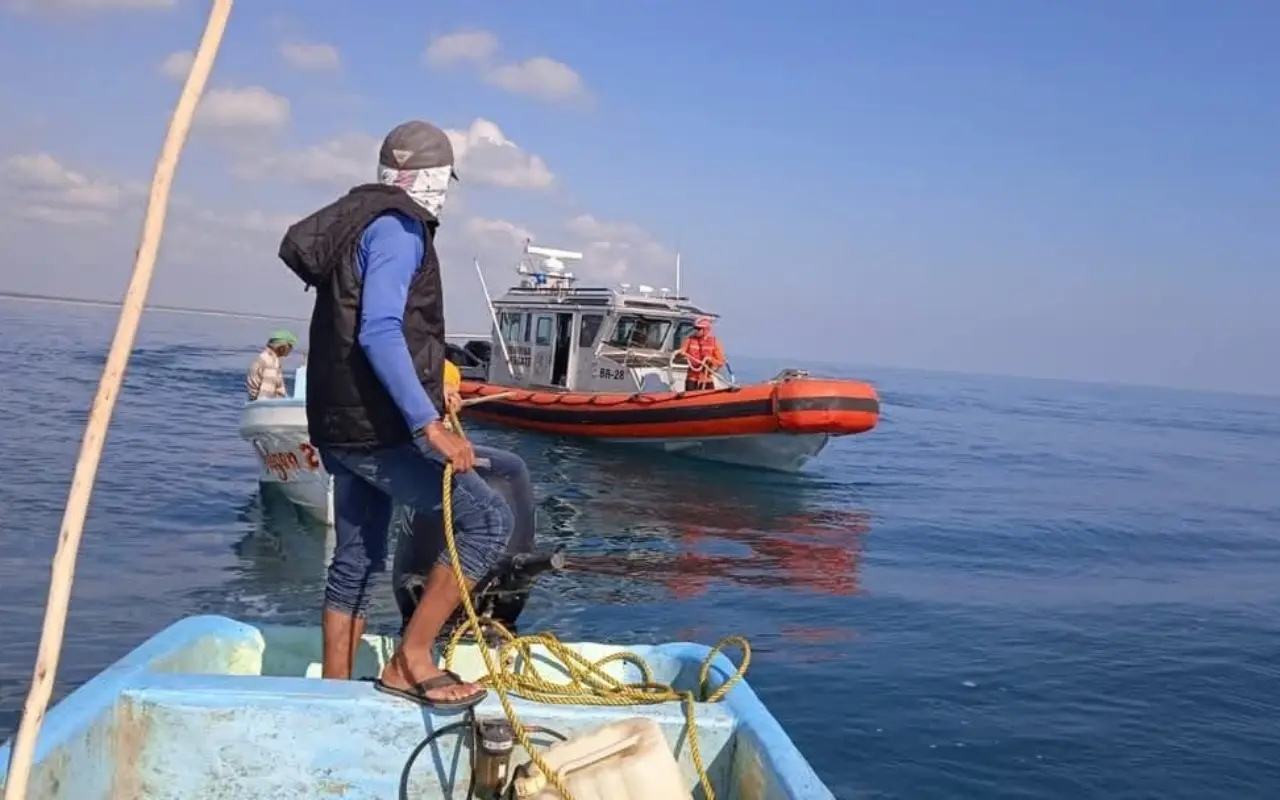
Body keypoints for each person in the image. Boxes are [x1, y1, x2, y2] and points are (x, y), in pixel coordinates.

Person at [277, 120, 521, 712]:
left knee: (358, 554)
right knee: (487, 520)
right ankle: (410, 659)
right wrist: (427, 424)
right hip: (377, 429)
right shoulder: (399, 229)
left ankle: (333, 697)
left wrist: (436, 390)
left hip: (339, 423)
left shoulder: (358, 221)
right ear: (432, 179)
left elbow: (373, 330)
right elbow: (381, 329)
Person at [245, 329, 297, 401]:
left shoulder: (263, 357)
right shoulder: (270, 363)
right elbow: (265, 395)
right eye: (290, 346)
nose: (291, 349)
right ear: (282, 347)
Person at [677, 316, 725, 391]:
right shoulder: (689, 340)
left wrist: (710, 360)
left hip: (707, 379)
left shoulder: (714, 342)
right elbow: (679, 354)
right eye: (695, 328)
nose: (696, 331)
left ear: (706, 329)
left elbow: (720, 362)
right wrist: (681, 354)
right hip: (692, 379)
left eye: (698, 329)